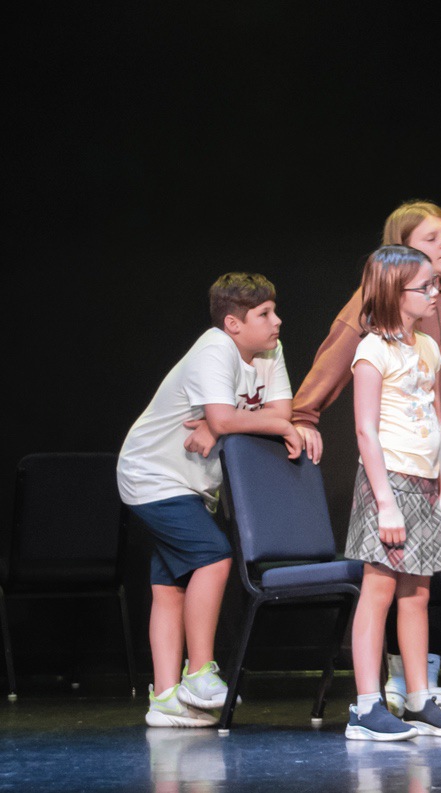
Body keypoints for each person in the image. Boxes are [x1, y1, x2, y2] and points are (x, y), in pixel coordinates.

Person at [291, 201, 441, 716]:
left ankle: (420, 689)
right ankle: (375, 696)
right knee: (384, 583)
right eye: (432, 239)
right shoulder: (377, 333)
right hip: (391, 471)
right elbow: (347, 372)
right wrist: (304, 412)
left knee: (421, 584)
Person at [118, 273, 301, 727]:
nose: (277, 322)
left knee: (169, 585)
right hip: (153, 475)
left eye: (274, 310)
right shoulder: (215, 349)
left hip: (191, 484)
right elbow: (235, 418)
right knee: (215, 557)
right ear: (233, 324)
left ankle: (164, 699)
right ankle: (199, 672)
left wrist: (232, 422)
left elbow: (281, 411)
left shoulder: (269, 352)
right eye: (264, 314)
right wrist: (235, 422)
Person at [342, 245, 441, 741]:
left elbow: (437, 419)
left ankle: (419, 698)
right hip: (389, 483)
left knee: (416, 595)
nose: (435, 292)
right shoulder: (371, 351)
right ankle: (367, 705)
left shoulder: (428, 348)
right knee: (377, 593)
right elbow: (365, 431)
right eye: (425, 286)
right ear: (397, 292)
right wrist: (386, 502)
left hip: (422, 483)